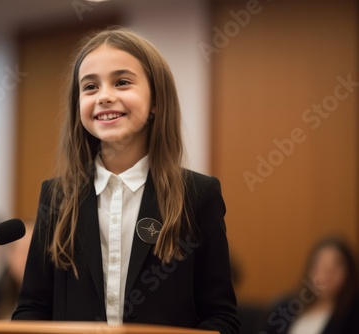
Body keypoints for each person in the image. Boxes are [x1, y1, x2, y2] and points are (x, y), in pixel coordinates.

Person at [12, 27, 240, 334]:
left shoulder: (198, 194)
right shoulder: (56, 196)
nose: (105, 96)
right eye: (90, 87)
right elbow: (32, 309)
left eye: (121, 82)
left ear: (156, 101)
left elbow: (221, 316)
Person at [260, 236, 359, 334]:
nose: (328, 273)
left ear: (349, 272)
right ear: (310, 270)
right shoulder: (286, 306)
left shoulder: (352, 316)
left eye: (336, 266)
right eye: (322, 265)